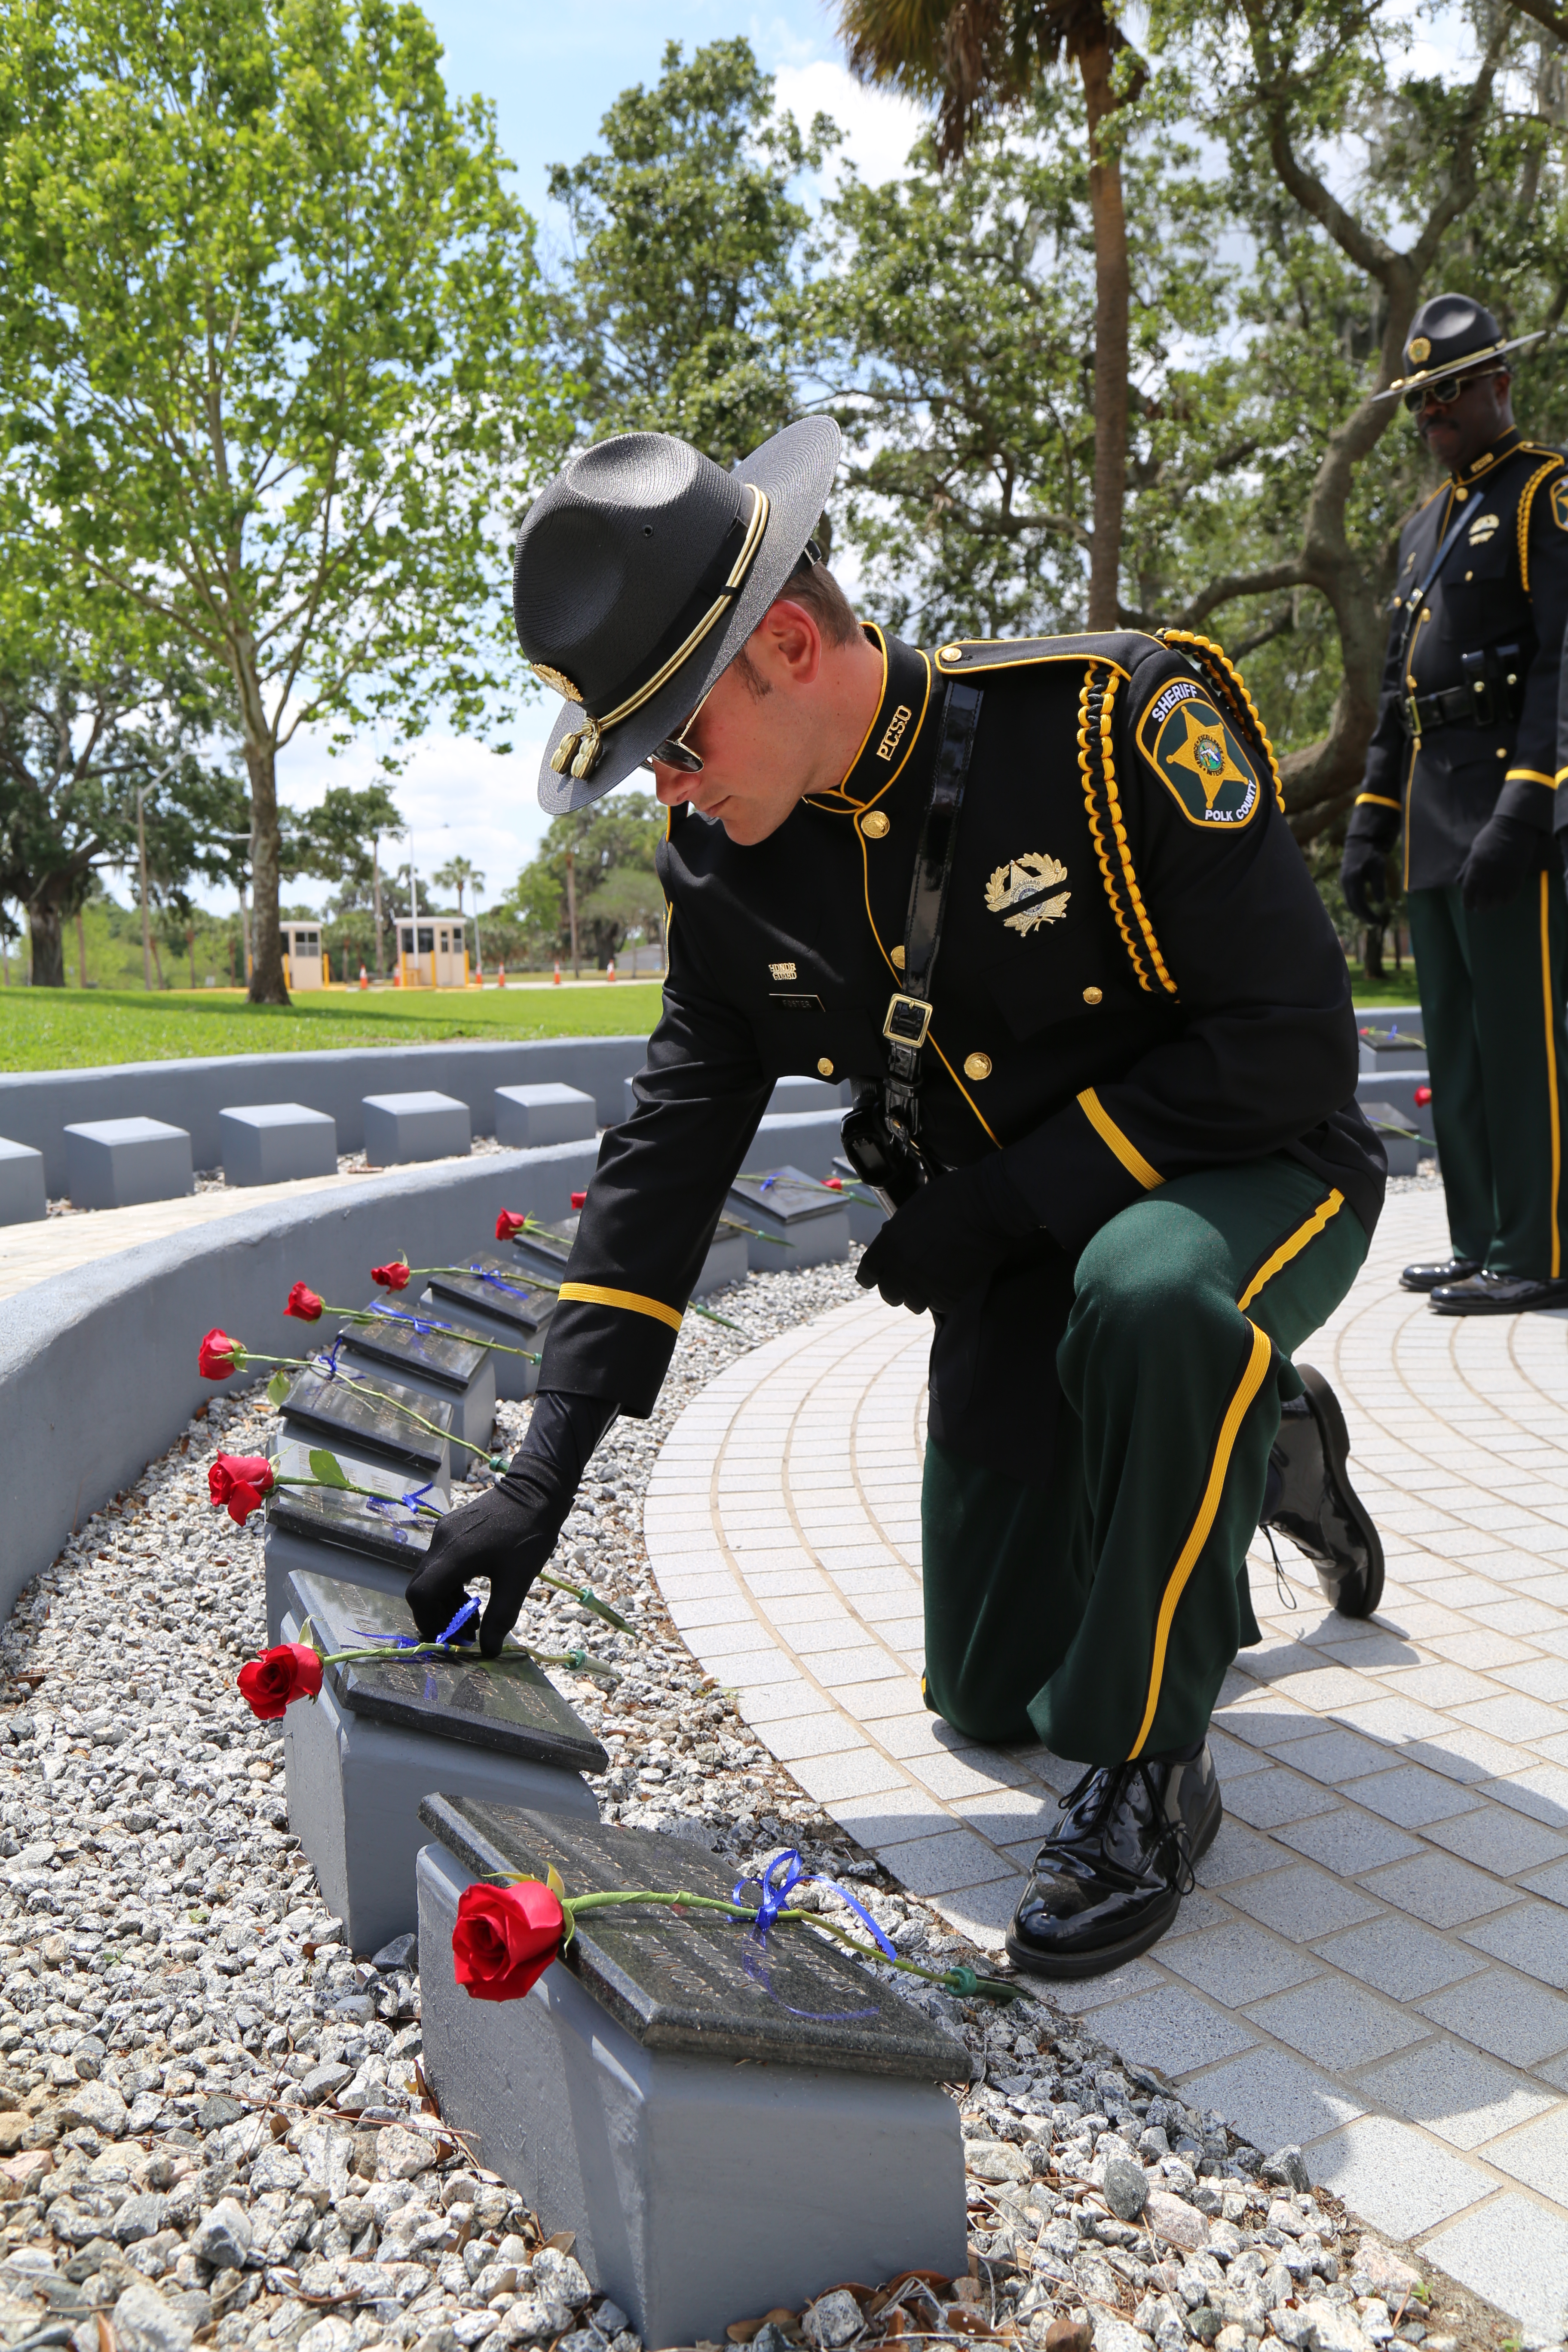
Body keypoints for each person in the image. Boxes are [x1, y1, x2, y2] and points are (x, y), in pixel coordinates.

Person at [408, 420, 1386, 1978]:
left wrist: (1005, 1204)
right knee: (989, 1695)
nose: (663, 782)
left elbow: (1288, 1050)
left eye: (674, 738)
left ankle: (1147, 1776)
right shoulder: (722, 875)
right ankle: (1260, 1435)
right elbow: (668, 1146)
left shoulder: (1108, 726)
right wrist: (541, 1474)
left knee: (1146, 1300)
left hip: (1243, 1172)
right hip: (1019, 1239)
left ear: (785, 644)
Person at [1341, 294, 1568, 1314]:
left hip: (1511, 813)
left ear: (1497, 386)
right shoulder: (1420, 526)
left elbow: (1562, 662)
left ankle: (1545, 1250)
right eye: (1419, 400)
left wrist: (1529, 806)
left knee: (1524, 1044)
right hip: (1435, 814)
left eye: (1446, 393)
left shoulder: (1542, 495)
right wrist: (1369, 821)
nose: (1431, 412)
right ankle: (1481, 1239)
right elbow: (1396, 692)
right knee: (1459, 1049)